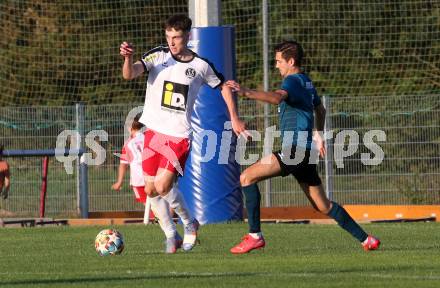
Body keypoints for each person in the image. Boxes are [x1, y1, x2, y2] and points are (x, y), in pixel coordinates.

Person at [225, 40, 380, 254]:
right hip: (307, 153)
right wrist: (318, 134)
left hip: (295, 151)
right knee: (323, 206)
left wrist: (246, 92)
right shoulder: (307, 82)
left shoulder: (293, 82)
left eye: (279, 61)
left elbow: (278, 97)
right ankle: (367, 239)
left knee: (247, 177)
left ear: (291, 61)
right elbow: (320, 109)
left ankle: (254, 236)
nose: (276, 65)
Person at [120, 14, 246, 253]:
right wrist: (127, 59)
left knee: (163, 185)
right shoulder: (158, 55)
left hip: (177, 137)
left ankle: (189, 224)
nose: (172, 42)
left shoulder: (200, 65)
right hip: (153, 133)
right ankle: (171, 234)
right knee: (149, 190)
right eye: (168, 37)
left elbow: (223, 87)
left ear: (187, 36)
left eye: (176, 37)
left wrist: (234, 118)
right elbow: (130, 73)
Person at [111, 114, 157, 222]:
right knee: (157, 201)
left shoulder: (128, 144)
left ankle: (156, 220)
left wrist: (119, 182)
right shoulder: (150, 138)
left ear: (130, 128)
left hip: (139, 178)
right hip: (153, 175)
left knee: (148, 203)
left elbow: (123, 164)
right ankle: (159, 219)